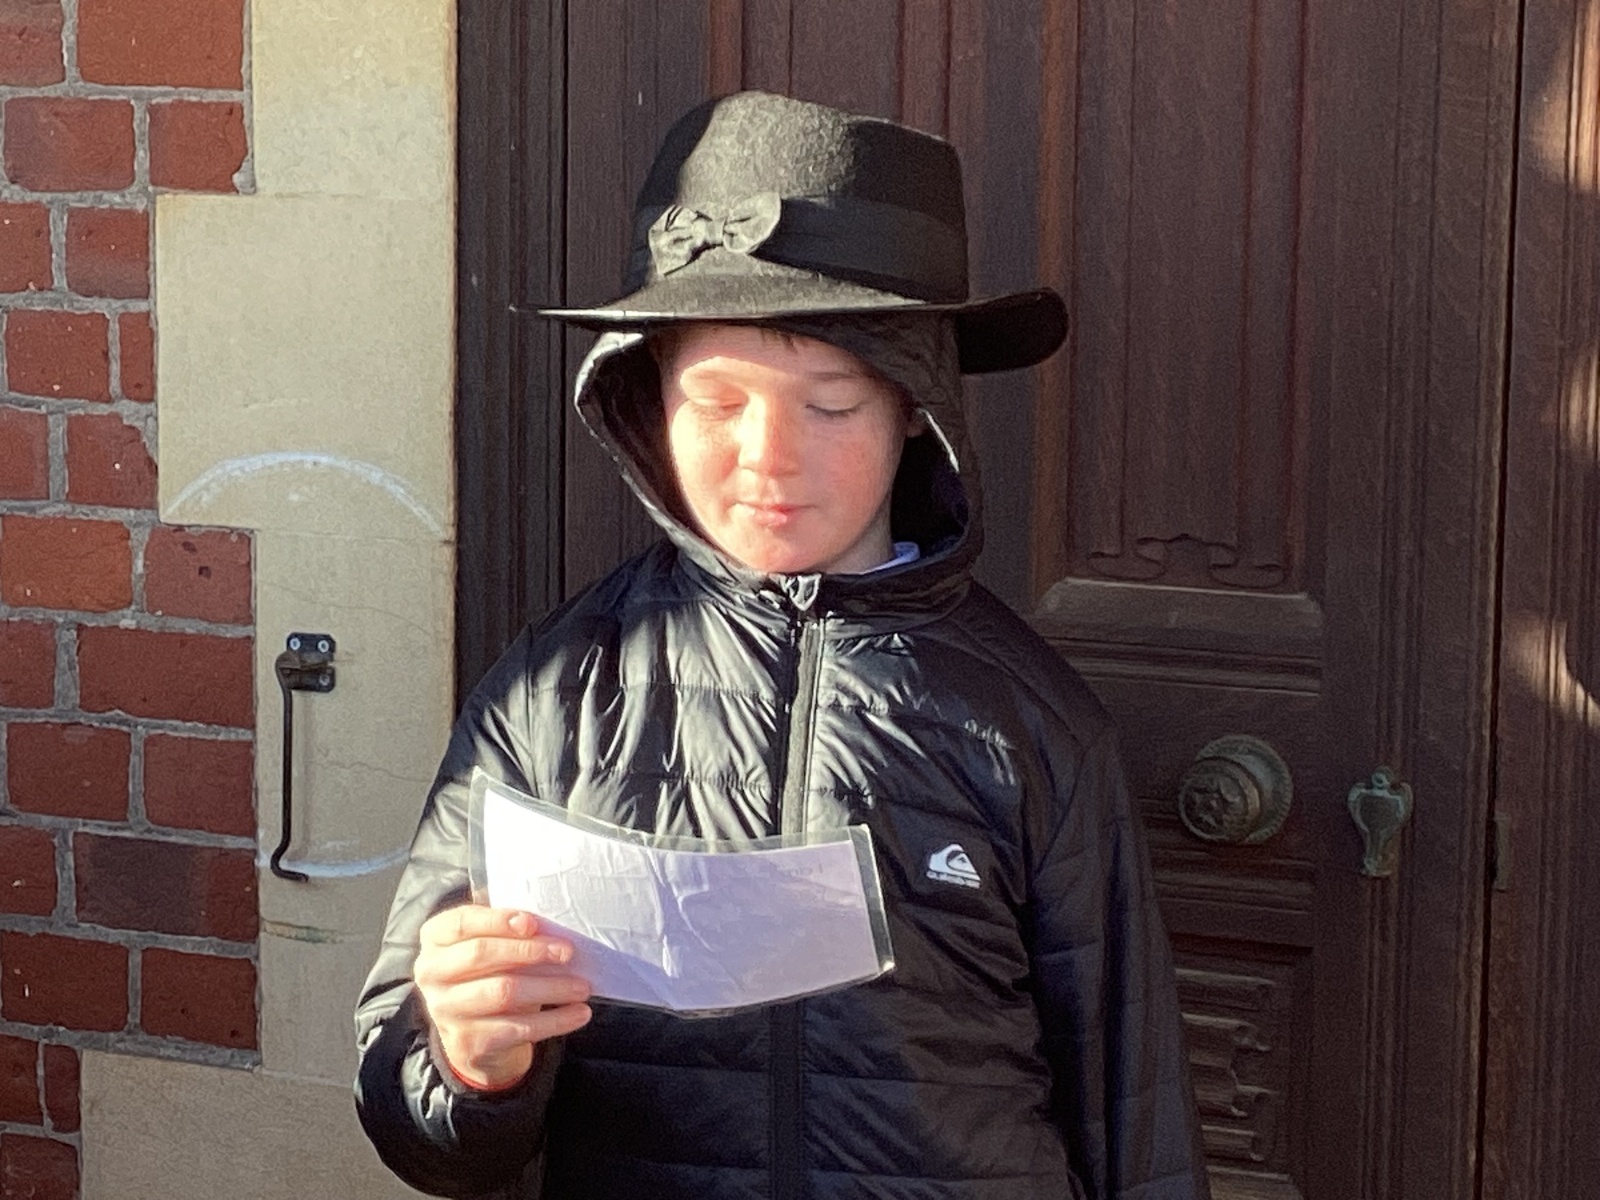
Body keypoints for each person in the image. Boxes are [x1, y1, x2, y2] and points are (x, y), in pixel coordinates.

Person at [355, 90, 1210, 1200]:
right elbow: (417, 1124)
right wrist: (468, 1061)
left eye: (833, 404)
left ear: (915, 408)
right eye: (717, 401)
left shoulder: (1031, 721)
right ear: (646, 400)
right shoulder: (551, 696)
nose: (769, 457)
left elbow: (1133, 1120)